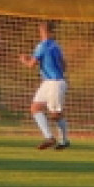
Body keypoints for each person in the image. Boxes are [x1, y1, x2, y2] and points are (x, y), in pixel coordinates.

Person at [19, 21, 70, 149]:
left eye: (42, 31)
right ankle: (50, 137)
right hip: (50, 82)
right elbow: (64, 65)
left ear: (43, 32)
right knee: (35, 108)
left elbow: (31, 65)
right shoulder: (56, 46)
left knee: (55, 115)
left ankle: (63, 141)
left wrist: (24, 60)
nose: (41, 33)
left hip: (54, 83)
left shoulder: (41, 46)